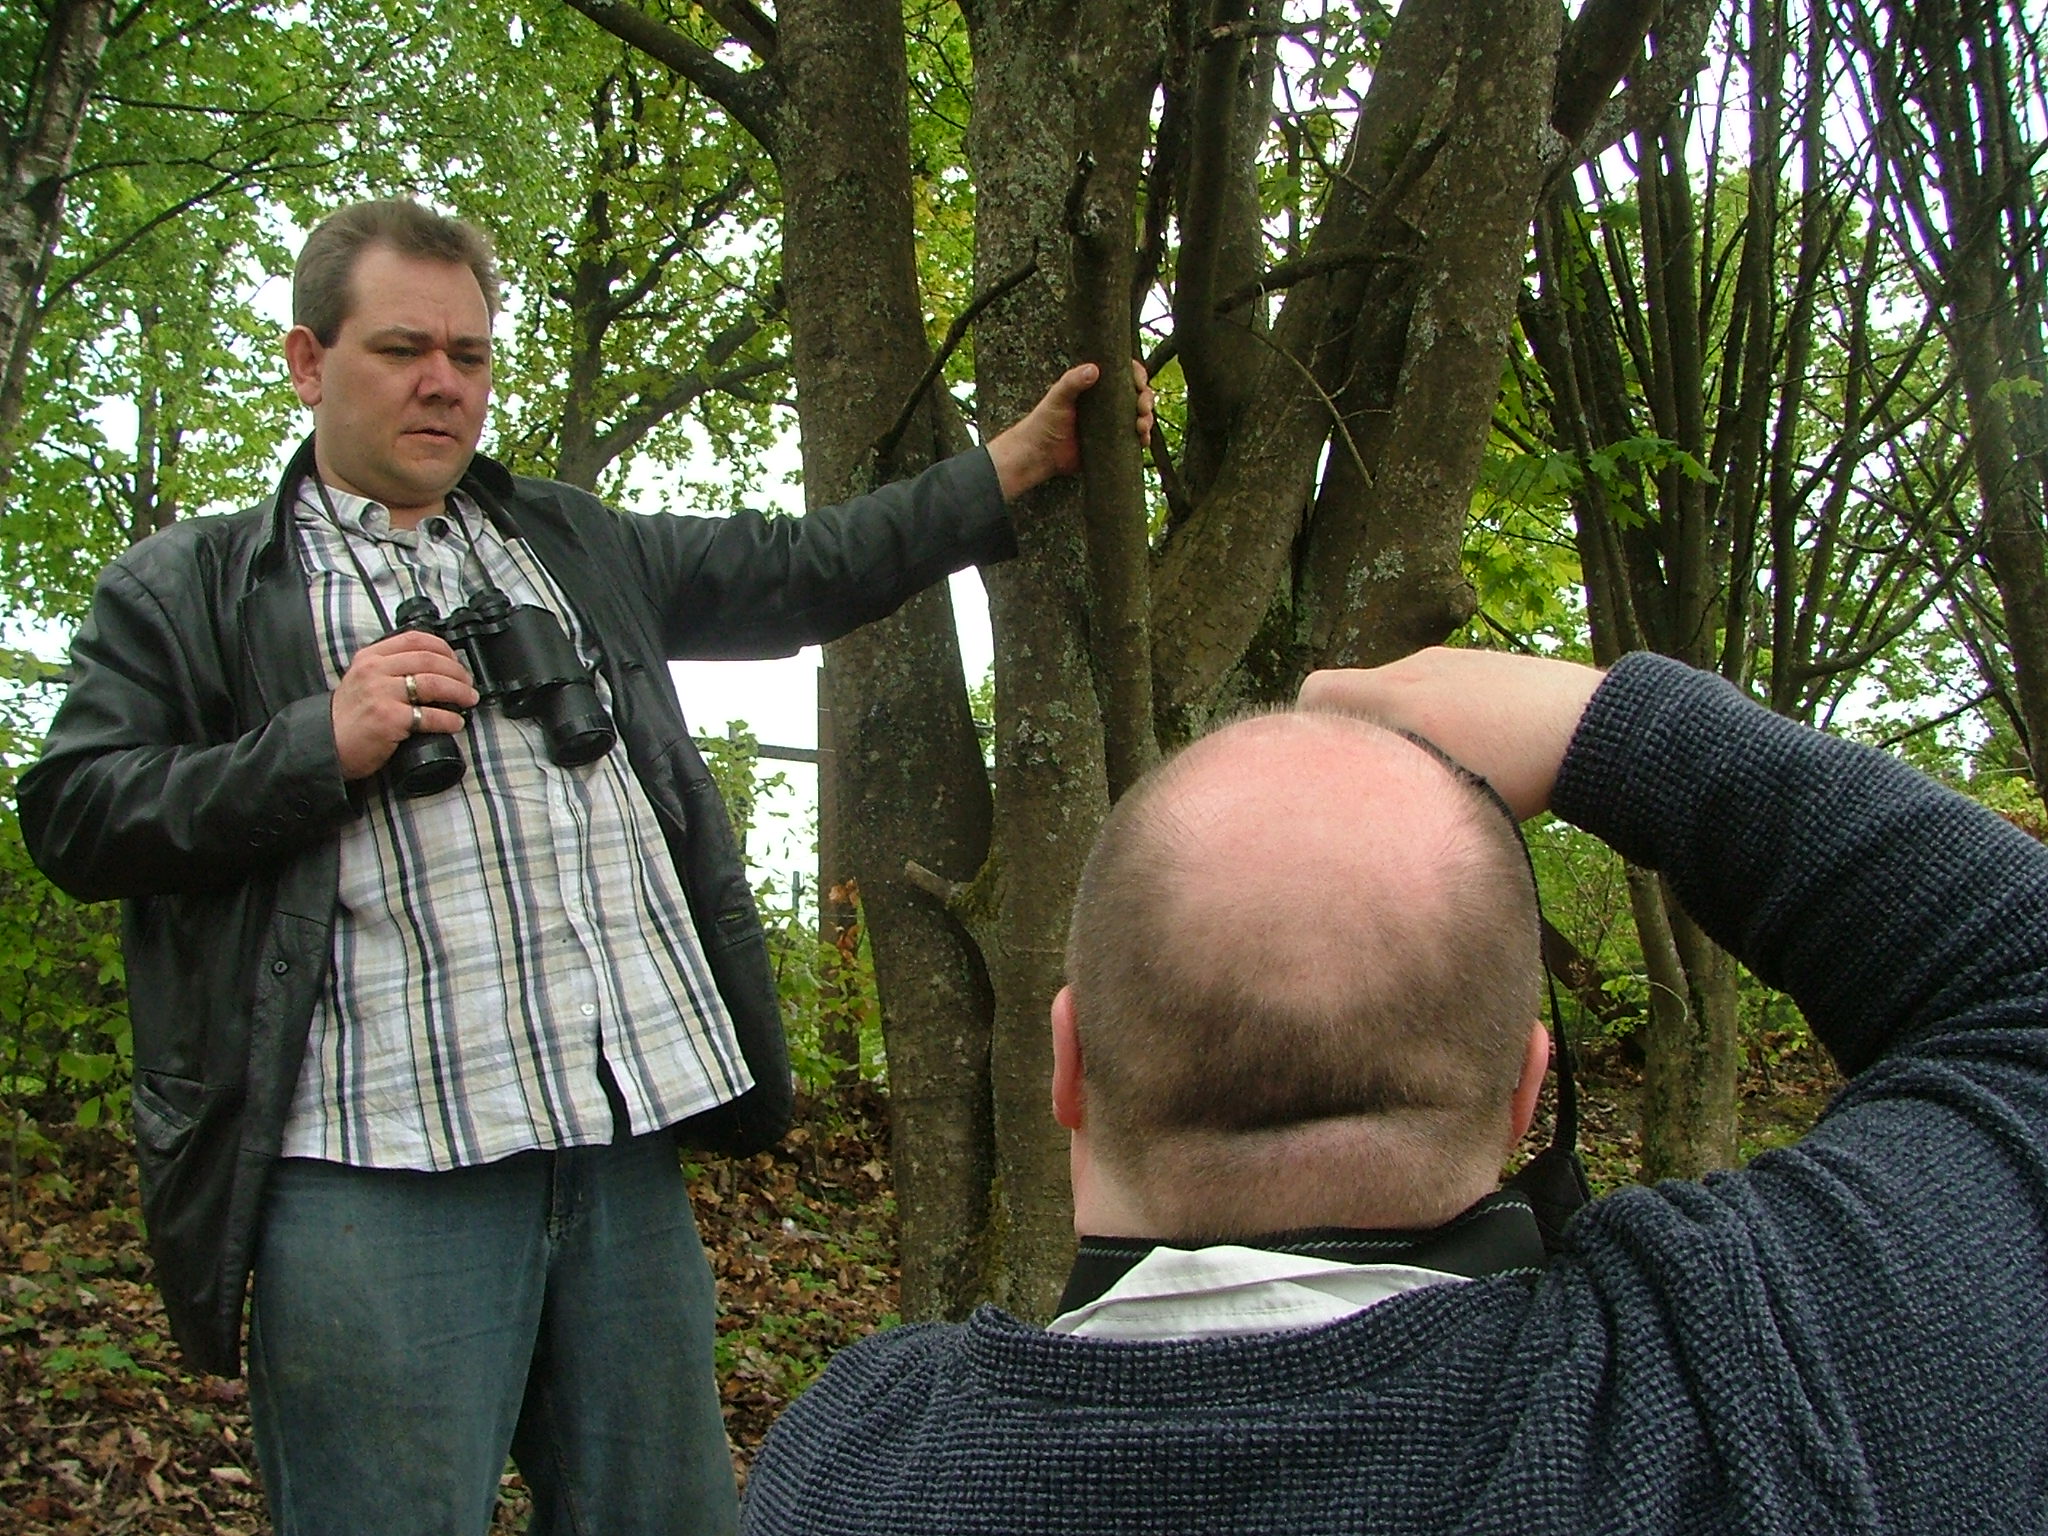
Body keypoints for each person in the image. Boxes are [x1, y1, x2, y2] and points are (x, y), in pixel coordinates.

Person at [15, 197, 1152, 1536]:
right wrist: (313, 744)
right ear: (309, 363)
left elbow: (799, 566)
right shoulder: (191, 586)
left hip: (613, 1156)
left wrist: (1011, 465)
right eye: (402, 349)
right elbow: (76, 813)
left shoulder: (563, 541)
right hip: (376, 1173)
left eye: (470, 353)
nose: (444, 382)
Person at [739, 646, 2048, 1535]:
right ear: (1526, 1091)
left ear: (1067, 1064)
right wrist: (1600, 726)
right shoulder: (1758, 1381)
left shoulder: (854, 1468)